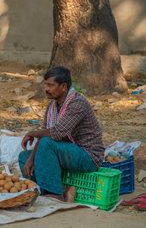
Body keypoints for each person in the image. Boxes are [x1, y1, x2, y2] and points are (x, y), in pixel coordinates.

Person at [18, 66, 104, 202]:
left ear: (64, 86)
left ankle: (56, 194)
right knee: (24, 157)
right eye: (46, 85)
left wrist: (32, 133)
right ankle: (53, 190)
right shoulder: (52, 106)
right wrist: (31, 159)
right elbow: (47, 135)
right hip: (65, 153)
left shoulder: (77, 103)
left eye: (51, 85)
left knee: (47, 143)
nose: (46, 89)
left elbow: (57, 133)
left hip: (87, 156)